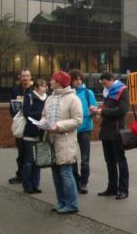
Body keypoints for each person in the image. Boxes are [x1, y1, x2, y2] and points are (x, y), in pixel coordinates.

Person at [41, 71, 83, 214]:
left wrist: (58, 126)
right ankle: (61, 201)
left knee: (65, 173)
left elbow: (77, 120)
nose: (50, 82)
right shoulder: (50, 98)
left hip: (65, 140)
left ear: (59, 83)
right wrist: (42, 123)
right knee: (55, 173)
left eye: (53, 80)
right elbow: (44, 115)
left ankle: (72, 203)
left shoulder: (73, 99)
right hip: (51, 139)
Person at [92, 72, 130, 200]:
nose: (105, 86)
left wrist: (103, 111)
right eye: (103, 84)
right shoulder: (108, 92)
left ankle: (123, 189)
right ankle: (112, 187)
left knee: (120, 161)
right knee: (109, 161)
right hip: (106, 131)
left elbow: (122, 110)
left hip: (116, 130)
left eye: (106, 84)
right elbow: (106, 108)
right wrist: (97, 110)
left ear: (112, 80)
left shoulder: (122, 91)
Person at [69, 69, 97, 194]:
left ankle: (84, 183)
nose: (78, 82)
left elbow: (94, 109)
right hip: (71, 129)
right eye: (76, 79)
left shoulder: (88, 92)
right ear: (71, 81)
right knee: (72, 157)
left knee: (85, 158)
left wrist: (92, 110)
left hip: (85, 128)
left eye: (80, 79)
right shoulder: (69, 93)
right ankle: (76, 181)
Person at [21, 78, 48, 194]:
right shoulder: (29, 97)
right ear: (36, 88)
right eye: (42, 86)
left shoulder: (47, 98)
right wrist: (41, 114)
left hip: (42, 133)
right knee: (29, 161)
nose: (45, 88)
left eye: (45, 86)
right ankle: (27, 185)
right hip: (31, 132)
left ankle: (35, 184)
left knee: (38, 161)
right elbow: (26, 113)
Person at [8, 69, 32, 184]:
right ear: (20, 77)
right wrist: (16, 117)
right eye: (23, 76)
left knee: (29, 152)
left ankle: (30, 175)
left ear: (30, 77)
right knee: (21, 151)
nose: (25, 78)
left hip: (30, 124)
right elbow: (11, 106)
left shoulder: (34, 90)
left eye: (27, 76)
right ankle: (20, 175)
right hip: (19, 124)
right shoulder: (15, 90)